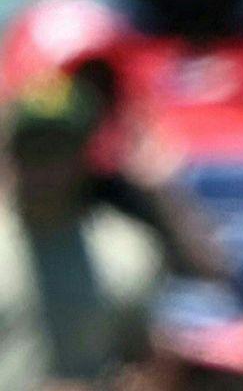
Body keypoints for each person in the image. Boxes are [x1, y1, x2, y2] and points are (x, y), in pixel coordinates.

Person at [0, 77, 165, 390]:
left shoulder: (129, 251)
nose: (44, 167)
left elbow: (146, 363)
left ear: (83, 157)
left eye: (58, 151)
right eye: (32, 149)